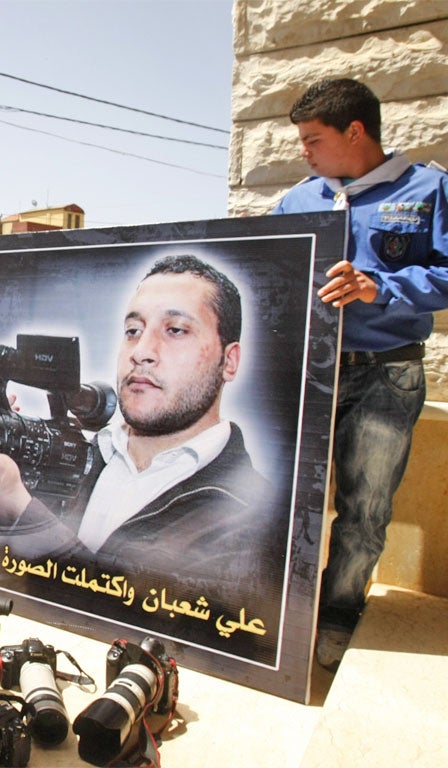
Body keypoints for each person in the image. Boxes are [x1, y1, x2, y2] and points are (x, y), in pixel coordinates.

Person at [0, 255, 284, 616]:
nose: (142, 352)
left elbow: (150, 622)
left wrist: (21, 512)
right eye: (133, 331)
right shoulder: (86, 455)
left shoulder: (257, 516)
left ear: (229, 361)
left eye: (175, 330)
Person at [272, 77, 448, 671]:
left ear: (356, 131)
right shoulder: (298, 201)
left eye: (313, 138)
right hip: (307, 376)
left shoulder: (428, 190)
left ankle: (339, 611)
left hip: (384, 375)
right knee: (278, 494)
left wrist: (383, 288)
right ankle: (276, 607)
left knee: (365, 505)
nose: (303, 151)